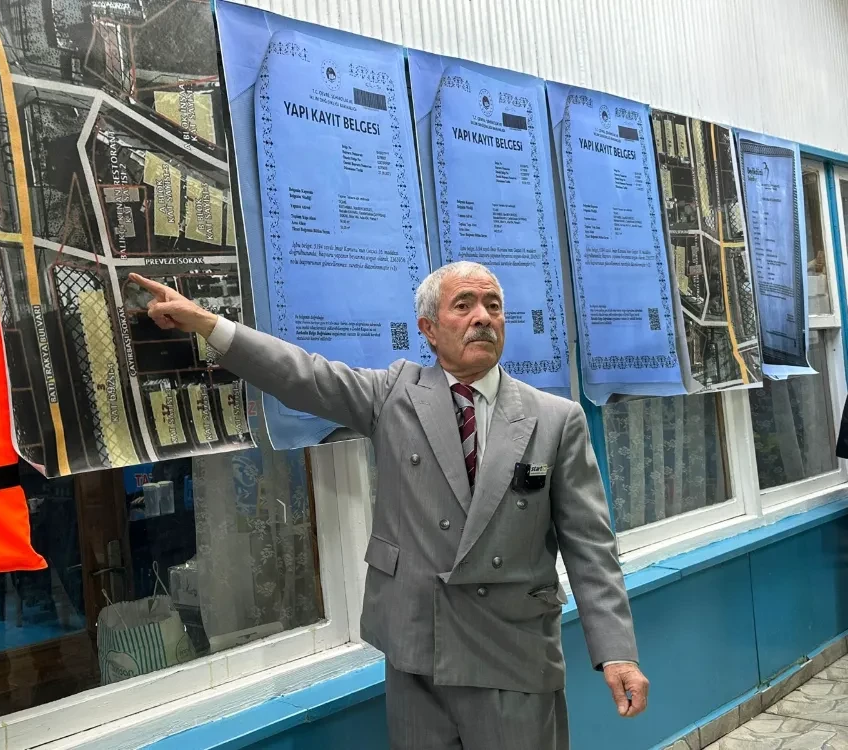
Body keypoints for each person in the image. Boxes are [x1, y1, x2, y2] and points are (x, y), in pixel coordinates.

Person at [129, 262, 648, 750]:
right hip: (417, 655)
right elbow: (301, 375)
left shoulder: (555, 419)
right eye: (463, 305)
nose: (482, 317)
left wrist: (617, 651)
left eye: (493, 305)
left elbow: (590, 547)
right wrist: (207, 324)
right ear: (428, 329)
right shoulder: (395, 395)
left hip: (512, 655)